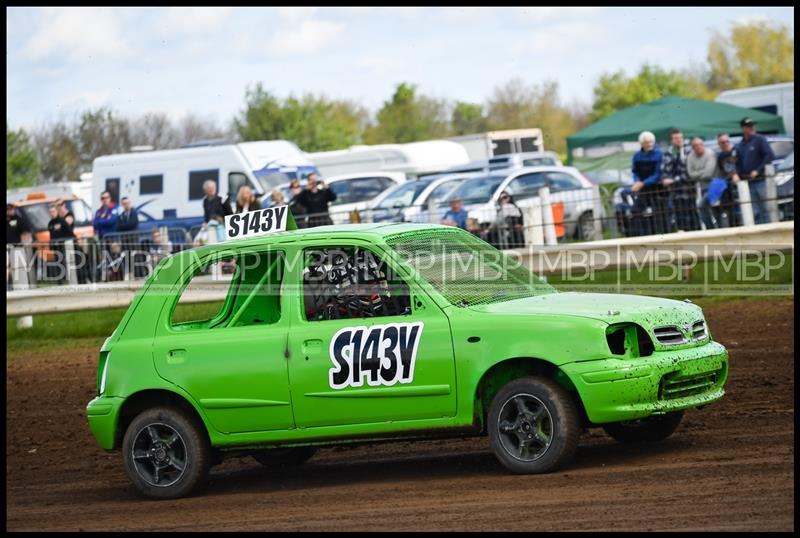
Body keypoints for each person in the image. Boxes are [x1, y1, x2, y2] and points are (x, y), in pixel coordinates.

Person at [735, 117, 776, 225]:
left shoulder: (759, 139)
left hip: (759, 179)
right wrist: (737, 174)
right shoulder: (741, 144)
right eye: (748, 126)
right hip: (747, 181)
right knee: (754, 210)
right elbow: (737, 161)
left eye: (752, 125)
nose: (752, 128)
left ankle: (768, 229)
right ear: (743, 128)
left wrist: (757, 170)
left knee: (765, 208)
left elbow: (769, 155)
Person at [630, 131, 666, 236]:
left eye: (650, 142)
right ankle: (643, 235)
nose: (649, 144)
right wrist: (637, 181)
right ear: (641, 143)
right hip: (643, 190)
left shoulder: (659, 154)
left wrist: (642, 183)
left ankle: (661, 235)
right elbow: (634, 171)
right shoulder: (636, 156)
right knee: (635, 211)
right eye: (646, 142)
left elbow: (658, 174)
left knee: (658, 214)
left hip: (657, 189)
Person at [660, 128, 689, 232]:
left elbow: (688, 172)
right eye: (676, 138)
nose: (678, 140)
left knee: (691, 216)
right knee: (678, 217)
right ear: (671, 140)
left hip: (689, 191)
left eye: (680, 138)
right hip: (674, 192)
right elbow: (664, 170)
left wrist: (673, 180)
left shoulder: (688, 151)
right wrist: (665, 179)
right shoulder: (668, 153)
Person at [685, 137, 717, 231]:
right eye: (695, 146)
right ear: (692, 147)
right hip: (703, 187)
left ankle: (713, 229)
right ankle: (713, 229)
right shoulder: (691, 156)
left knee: (702, 206)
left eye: (700, 145)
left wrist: (698, 173)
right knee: (708, 209)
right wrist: (703, 172)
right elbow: (690, 174)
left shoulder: (710, 154)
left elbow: (709, 173)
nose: (698, 147)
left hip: (715, 186)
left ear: (703, 145)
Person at [712, 133, 742, 228]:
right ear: (719, 145)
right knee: (730, 212)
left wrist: (737, 174)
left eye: (726, 141)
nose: (725, 144)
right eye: (722, 142)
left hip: (740, 186)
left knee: (740, 211)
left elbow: (744, 165)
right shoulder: (720, 156)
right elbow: (721, 171)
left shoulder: (737, 151)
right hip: (728, 187)